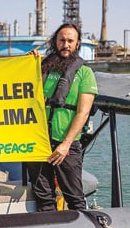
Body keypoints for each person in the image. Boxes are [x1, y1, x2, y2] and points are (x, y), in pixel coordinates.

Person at [26, 22, 98, 211]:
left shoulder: (85, 73)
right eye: (62, 40)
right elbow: (20, 91)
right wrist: (26, 65)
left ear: (77, 44)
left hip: (65, 145)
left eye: (70, 41)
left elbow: (83, 112)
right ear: (55, 42)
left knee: (74, 197)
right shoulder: (42, 67)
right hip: (39, 143)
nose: (65, 44)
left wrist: (65, 145)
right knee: (43, 197)